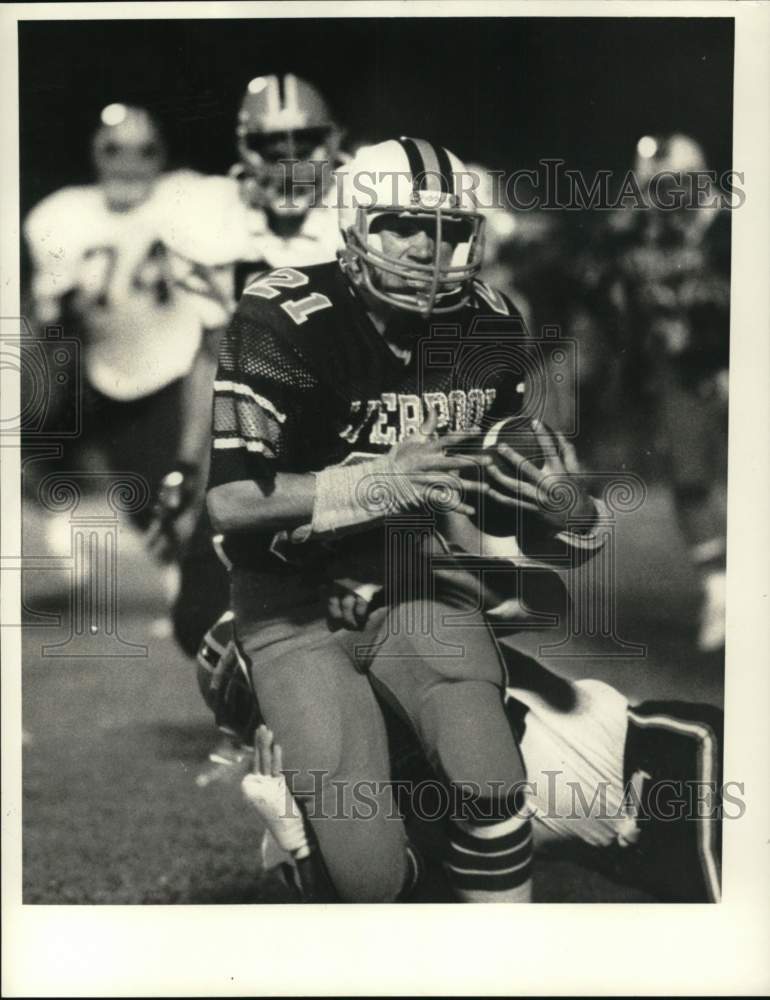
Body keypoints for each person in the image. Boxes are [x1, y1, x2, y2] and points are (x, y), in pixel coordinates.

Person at [205, 137, 608, 902]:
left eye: (450, 231)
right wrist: (374, 483)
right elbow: (230, 501)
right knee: (370, 877)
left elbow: (502, 504)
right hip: (292, 606)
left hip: (407, 581)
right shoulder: (284, 316)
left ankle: (503, 953)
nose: (428, 248)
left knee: (491, 778)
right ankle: (288, 794)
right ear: (354, 226)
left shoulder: (490, 322)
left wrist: (570, 514)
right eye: (402, 225)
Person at [149, 73, 344, 659]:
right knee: (202, 623)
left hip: (356, 435)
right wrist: (187, 466)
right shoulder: (212, 222)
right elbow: (212, 355)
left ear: (335, 143)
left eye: (304, 143)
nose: (289, 163)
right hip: (259, 446)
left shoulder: (363, 208)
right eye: (270, 146)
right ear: (243, 150)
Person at [23, 103, 205, 525]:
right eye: (114, 150)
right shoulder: (62, 215)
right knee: (143, 512)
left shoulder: (186, 196)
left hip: (179, 373)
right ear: (95, 153)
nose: (129, 163)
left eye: (145, 151)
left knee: (184, 509)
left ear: (162, 155)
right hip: (106, 381)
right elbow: (52, 321)